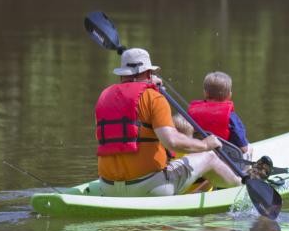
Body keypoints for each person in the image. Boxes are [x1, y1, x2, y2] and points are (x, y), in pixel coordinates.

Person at [95, 48, 242, 196]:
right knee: (209, 156)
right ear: (148, 73)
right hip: (148, 187)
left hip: (108, 187)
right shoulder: (153, 98)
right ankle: (241, 188)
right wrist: (206, 144)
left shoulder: (104, 97)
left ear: (122, 75)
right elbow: (172, 142)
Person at [187, 71, 250, 155]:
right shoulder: (231, 116)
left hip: (198, 153)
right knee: (249, 148)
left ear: (205, 93)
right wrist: (246, 148)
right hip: (225, 157)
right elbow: (243, 147)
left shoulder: (192, 111)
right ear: (229, 95)